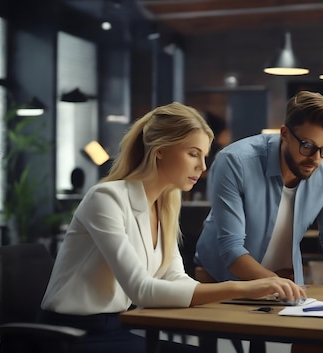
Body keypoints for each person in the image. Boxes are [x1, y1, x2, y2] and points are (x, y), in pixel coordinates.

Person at [38, 102, 306, 353]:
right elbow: (141, 290)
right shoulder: (106, 198)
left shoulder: (165, 202)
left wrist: (245, 294)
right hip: (68, 336)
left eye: (204, 156)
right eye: (193, 154)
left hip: (117, 327)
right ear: (161, 150)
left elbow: (174, 276)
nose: (202, 167)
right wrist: (242, 287)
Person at [195, 90, 323, 288]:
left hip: (283, 283)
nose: (316, 158)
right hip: (221, 282)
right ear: (285, 134)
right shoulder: (235, 162)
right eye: (307, 145)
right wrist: (276, 283)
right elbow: (231, 248)